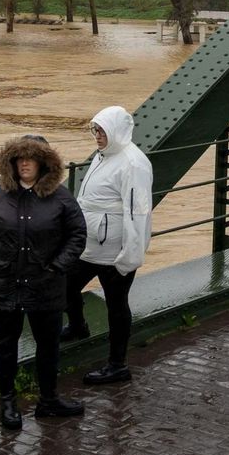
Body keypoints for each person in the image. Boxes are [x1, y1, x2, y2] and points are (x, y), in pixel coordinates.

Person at [0, 135, 88, 429]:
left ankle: (48, 401)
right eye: (19, 158)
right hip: (3, 283)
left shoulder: (61, 198)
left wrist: (57, 266)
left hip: (45, 284)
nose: (25, 163)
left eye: (31, 158)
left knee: (48, 345)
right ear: (10, 162)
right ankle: (8, 404)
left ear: (44, 163)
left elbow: (77, 235)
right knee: (5, 345)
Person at [63, 105, 153, 385]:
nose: (97, 135)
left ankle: (117, 365)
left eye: (102, 130)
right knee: (64, 285)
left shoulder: (133, 163)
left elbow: (139, 212)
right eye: (95, 129)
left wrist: (129, 256)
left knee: (116, 306)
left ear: (116, 130)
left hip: (115, 252)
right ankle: (78, 327)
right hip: (89, 246)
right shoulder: (103, 155)